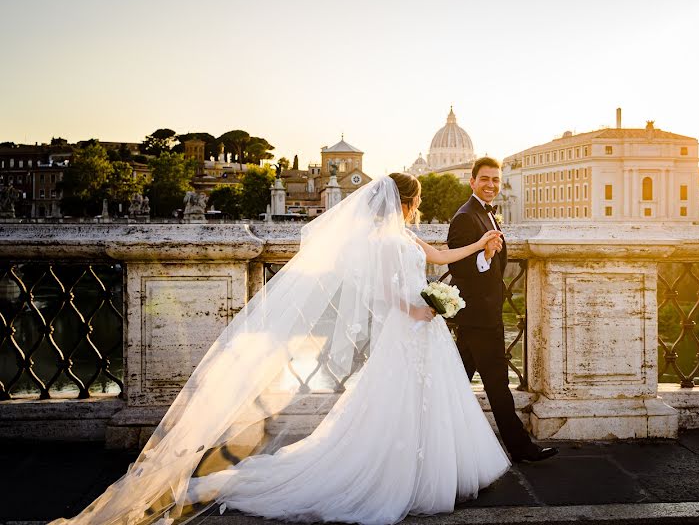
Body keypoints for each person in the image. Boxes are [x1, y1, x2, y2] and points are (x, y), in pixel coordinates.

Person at [53, 174, 510, 525]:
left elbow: (439, 257)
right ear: (407, 202)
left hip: (424, 330)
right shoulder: (384, 242)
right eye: (417, 203)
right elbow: (389, 292)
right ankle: (401, 472)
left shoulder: (406, 237)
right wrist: (418, 310)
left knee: (426, 401)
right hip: (408, 328)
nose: (417, 209)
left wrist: (478, 245)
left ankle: (429, 466)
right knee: (398, 401)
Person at [448, 157, 558, 463]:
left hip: (482, 315)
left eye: (496, 180)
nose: (491, 185)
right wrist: (484, 255)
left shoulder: (487, 215)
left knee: (456, 382)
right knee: (497, 386)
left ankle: (430, 434)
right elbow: (457, 265)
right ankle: (520, 448)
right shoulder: (465, 217)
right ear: (472, 182)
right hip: (478, 318)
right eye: (485, 179)